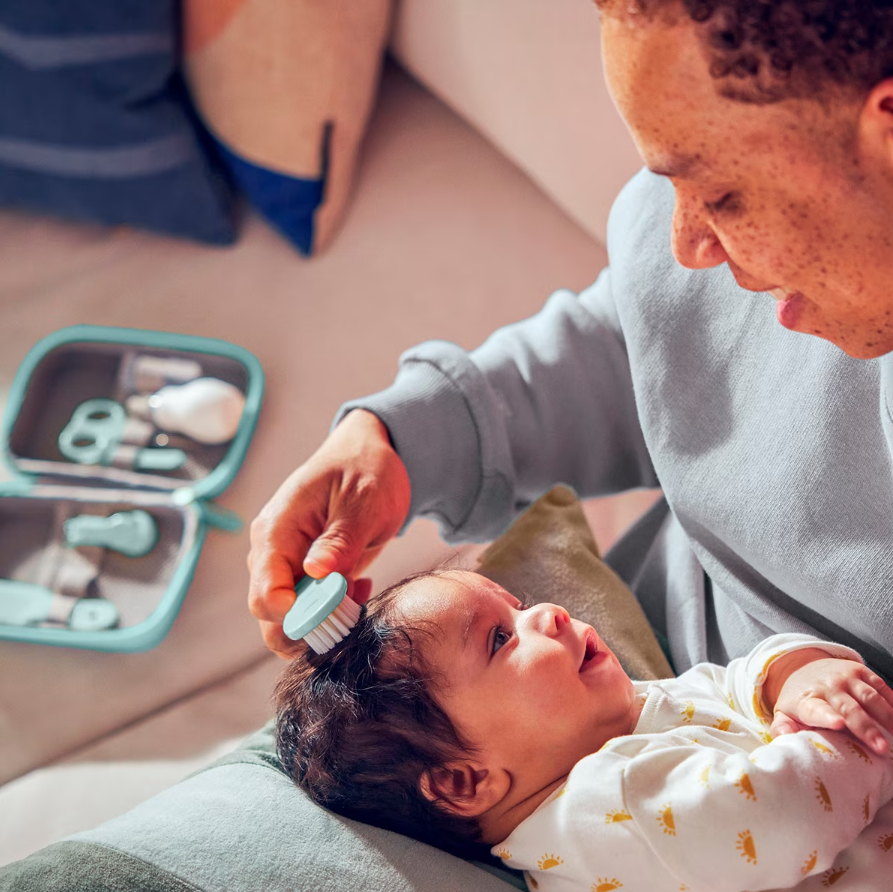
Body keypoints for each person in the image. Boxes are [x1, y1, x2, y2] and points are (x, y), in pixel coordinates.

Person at [248, 0, 893, 680]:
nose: (687, 247)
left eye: (723, 195)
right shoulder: (785, 262)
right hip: (599, 682)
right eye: (667, 179)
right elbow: (661, 341)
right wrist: (399, 445)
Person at [275, 569, 893, 891]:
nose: (546, 612)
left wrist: (794, 676)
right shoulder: (601, 817)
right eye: (500, 637)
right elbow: (784, 816)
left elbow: (732, 682)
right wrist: (852, 729)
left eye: (515, 604)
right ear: (464, 780)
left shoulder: (628, 714)